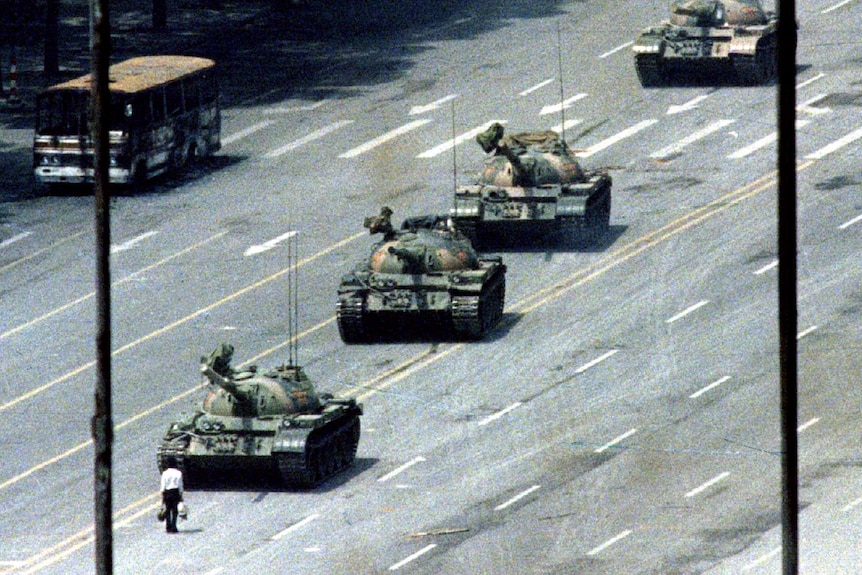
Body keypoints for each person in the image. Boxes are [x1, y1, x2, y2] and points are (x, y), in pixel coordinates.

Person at [159, 458, 184, 533]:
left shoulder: (165, 473)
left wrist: (162, 496)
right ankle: (174, 527)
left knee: (167, 509)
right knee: (174, 510)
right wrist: (181, 495)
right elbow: (180, 485)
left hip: (167, 492)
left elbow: (163, 486)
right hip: (175, 492)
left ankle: (168, 526)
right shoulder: (178, 473)